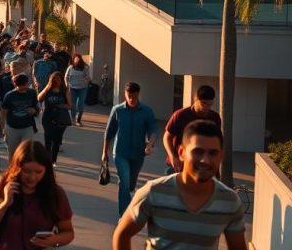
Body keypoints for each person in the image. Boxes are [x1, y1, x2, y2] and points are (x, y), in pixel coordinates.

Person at [113, 120, 246, 250]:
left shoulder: (230, 201)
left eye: (213, 153)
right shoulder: (153, 192)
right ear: (181, 152)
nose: (205, 160)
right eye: (198, 151)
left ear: (221, 156)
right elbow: (122, 235)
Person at [0, 140, 75, 249]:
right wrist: (4, 204)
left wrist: (54, 240)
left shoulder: (55, 193)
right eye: (27, 171)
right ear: (16, 168)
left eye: (38, 172)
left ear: (46, 171)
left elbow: (68, 232)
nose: (32, 178)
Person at [102, 82, 159, 216]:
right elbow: (109, 132)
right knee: (124, 183)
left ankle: (129, 189)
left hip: (138, 154)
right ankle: (124, 216)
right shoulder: (117, 110)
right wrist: (104, 152)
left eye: (134, 96)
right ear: (125, 94)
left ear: (138, 94)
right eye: (129, 96)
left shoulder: (146, 111)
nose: (132, 99)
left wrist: (150, 144)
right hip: (120, 153)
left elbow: (153, 130)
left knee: (131, 184)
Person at [163, 85, 221, 174]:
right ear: (195, 99)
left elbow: (216, 140)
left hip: (202, 163)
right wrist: (173, 157)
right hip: (180, 162)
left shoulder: (214, 117)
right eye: (203, 103)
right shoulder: (180, 115)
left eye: (209, 104)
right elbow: (167, 138)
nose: (206, 107)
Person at [0, 74, 39, 160]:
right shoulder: (9, 95)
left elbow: (37, 107)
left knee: (27, 152)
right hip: (12, 128)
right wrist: (3, 127)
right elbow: (3, 112)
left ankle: (24, 168)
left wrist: (34, 110)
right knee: (13, 153)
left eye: (25, 85)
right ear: (15, 85)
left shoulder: (32, 93)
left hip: (28, 127)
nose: (24, 88)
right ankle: (13, 168)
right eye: (20, 86)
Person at [37, 71, 72, 164]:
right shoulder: (48, 90)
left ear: (61, 80)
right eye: (54, 80)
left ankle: (53, 161)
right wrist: (47, 88)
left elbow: (69, 106)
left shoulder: (65, 91)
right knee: (48, 139)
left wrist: (60, 106)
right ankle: (47, 161)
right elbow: (39, 98)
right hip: (47, 116)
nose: (56, 81)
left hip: (60, 118)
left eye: (58, 79)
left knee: (56, 141)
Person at [64, 55, 92, 126]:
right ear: (73, 60)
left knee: (80, 104)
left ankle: (78, 120)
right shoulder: (70, 67)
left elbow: (88, 77)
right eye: (75, 59)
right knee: (73, 104)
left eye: (78, 59)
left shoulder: (85, 68)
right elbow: (66, 77)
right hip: (72, 88)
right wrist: (67, 85)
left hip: (82, 88)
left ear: (80, 60)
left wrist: (85, 81)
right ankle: (73, 119)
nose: (76, 61)